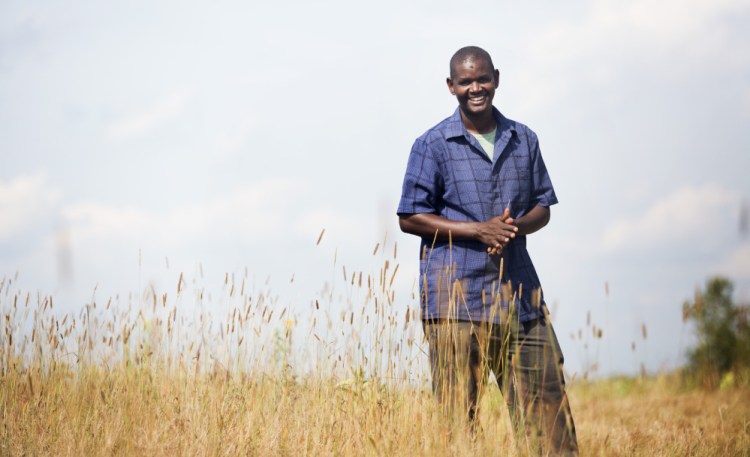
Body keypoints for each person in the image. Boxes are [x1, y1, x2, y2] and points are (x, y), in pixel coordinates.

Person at [397, 46, 578, 455]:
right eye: (465, 82)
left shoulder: (523, 138)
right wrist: (479, 230)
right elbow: (410, 216)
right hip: (455, 303)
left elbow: (543, 206)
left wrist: (510, 228)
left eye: (482, 79)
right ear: (451, 87)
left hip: (519, 299)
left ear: (496, 77)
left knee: (549, 419)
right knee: (460, 427)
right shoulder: (432, 144)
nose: (475, 88)